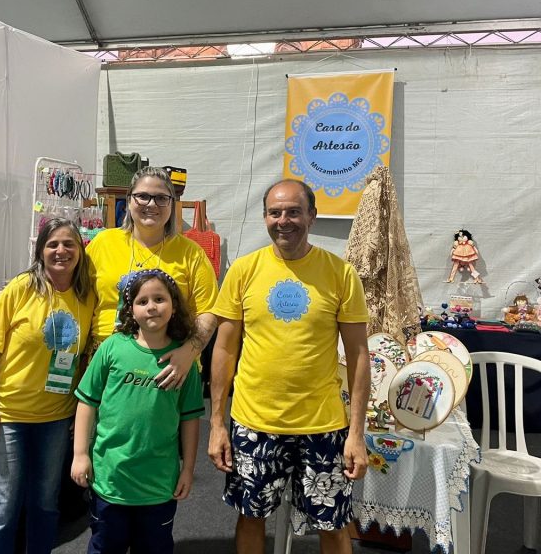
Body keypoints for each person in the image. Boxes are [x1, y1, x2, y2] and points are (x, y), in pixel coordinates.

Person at [208, 179, 371, 554]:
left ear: (312, 216)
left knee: (333, 525)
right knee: (251, 517)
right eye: (275, 212)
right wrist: (216, 424)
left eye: (294, 212)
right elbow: (224, 350)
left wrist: (356, 433)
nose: (284, 220)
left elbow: (359, 355)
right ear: (265, 217)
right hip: (254, 422)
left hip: (322, 425)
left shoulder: (340, 274)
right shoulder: (244, 271)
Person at [0, 218, 95, 554]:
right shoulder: (20, 289)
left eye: (69, 244)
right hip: (7, 416)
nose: (61, 251)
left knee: (45, 505)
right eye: (52, 244)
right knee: (1, 510)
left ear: (80, 251)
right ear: (40, 251)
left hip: (56, 418)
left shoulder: (87, 296)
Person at [71, 269, 205, 554]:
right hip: (110, 480)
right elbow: (87, 403)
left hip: (158, 486)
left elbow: (190, 419)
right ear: (130, 309)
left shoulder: (183, 362)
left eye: (159, 299)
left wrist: (188, 469)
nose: (151, 306)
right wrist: (80, 454)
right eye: (142, 301)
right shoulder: (112, 348)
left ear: (174, 306)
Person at [86, 166, 218, 389]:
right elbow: (78, 295)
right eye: (143, 196)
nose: (151, 204)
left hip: (168, 366)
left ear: (172, 204)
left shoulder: (191, 253)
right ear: (129, 200)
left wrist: (188, 353)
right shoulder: (103, 243)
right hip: (106, 363)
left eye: (161, 198)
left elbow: (209, 311)